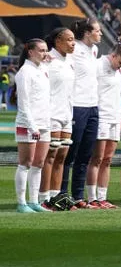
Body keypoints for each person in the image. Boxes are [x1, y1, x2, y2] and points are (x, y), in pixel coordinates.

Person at [62, 18, 102, 208]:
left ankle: (78, 196)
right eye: (97, 30)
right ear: (87, 33)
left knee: (85, 154)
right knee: (70, 154)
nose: (100, 33)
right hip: (77, 105)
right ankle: (61, 194)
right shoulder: (74, 49)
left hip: (93, 105)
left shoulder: (94, 51)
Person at [86, 43, 121, 208]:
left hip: (115, 116)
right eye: (120, 62)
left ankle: (102, 197)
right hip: (101, 115)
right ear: (114, 55)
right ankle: (92, 198)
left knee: (108, 159)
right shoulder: (98, 65)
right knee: (96, 158)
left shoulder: (119, 69)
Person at [13, 39, 52, 213]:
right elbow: (24, 103)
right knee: (25, 163)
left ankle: (34, 201)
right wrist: (31, 125)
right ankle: (22, 203)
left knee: (39, 163)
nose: (45, 54)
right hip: (28, 124)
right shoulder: (24, 72)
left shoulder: (42, 69)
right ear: (31, 52)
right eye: (42, 51)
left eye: (46, 50)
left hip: (44, 122)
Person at [39, 28, 75, 209]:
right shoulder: (48, 60)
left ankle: (55, 198)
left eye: (73, 39)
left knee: (62, 156)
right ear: (58, 41)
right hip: (52, 113)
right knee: (50, 157)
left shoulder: (69, 61)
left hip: (67, 114)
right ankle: (43, 199)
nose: (73, 43)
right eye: (69, 40)